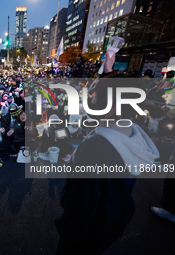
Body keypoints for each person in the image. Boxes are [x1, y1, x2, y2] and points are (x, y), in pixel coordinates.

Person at [55, 53, 160, 255]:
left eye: (95, 97)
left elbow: (79, 209)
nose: (91, 99)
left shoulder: (96, 148)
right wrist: (107, 71)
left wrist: (68, 239)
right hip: (111, 222)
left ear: (110, 107)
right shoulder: (134, 133)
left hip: (85, 235)